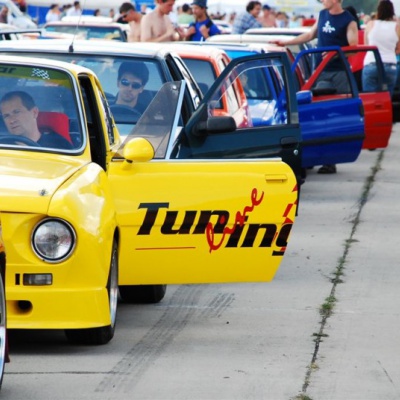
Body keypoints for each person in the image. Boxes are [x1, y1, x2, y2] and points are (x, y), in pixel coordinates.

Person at [275, 0, 358, 174]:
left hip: (339, 73)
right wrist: (286, 42)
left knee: (337, 116)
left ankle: (331, 161)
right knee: (319, 114)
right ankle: (313, 156)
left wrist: (336, 53)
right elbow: (309, 35)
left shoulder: (348, 20)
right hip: (321, 72)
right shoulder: (322, 15)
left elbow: (354, 48)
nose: (322, 1)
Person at [0, 91, 72, 149]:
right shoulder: (3, 146)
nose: (11, 120)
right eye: (6, 116)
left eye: (16, 112)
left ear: (34, 112)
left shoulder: (59, 145)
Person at [362, 0, 400, 97]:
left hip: (371, 63)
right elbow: (398, 50)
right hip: (390, 65)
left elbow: (366, 46)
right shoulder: (397, 27)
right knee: (386, 100)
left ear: (378, 11)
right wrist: (389, 50)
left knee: (370, 99)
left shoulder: (370, 24)